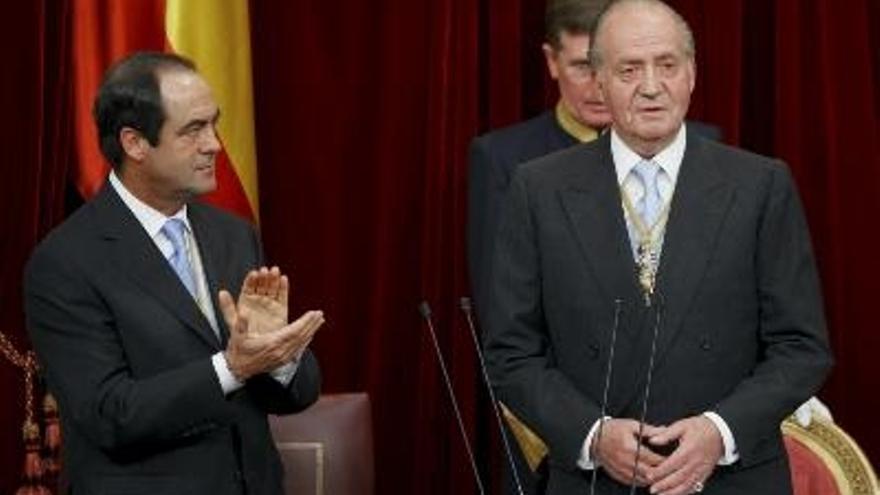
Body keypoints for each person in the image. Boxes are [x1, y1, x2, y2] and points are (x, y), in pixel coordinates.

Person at [484, 1, 832, 494]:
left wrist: (719, 430)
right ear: (599, 81)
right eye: (629, 69)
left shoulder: (760, 185)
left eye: (667, 65)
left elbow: (802, 348)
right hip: (596, 481)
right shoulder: (539, 189)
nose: (651, 86)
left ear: (691, 74)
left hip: (732, 479)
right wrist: (592, 435)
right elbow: (511, 353)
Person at [24, 52, 323, 495]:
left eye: (213, 123)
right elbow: (110, 415)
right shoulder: (65, 261)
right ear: (135, 143)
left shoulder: (233, 235)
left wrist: (278, 355)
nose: (215, 144)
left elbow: (298, 394)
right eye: (193, 130)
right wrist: (231, 367)